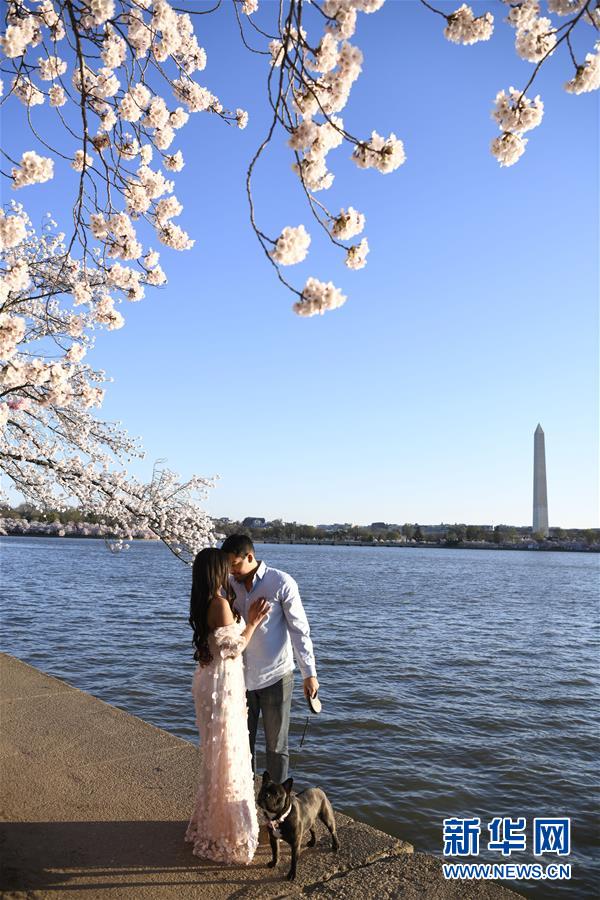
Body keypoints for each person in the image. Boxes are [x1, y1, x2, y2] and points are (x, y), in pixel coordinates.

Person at [185, 547, 270, 865]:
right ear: (216, 572)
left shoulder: (207, 600)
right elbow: (233, 647)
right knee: (228, 754)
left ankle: (216, 821)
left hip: (213, 680)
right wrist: (252, 622)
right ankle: (227, 830)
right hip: (222, 685)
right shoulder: (219, 604)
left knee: (219, 754)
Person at [221, 534, 319, 785]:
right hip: (240, 678)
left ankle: (277, 812)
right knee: (242, 745)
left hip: (276, 677)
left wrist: (309, 673)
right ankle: (246, 803)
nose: (231, 570)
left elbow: (299, 630)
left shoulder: (281, 582)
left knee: (276, 747)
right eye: (228, 565)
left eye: (234, 564)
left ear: (250, 557)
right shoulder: (229, 584)